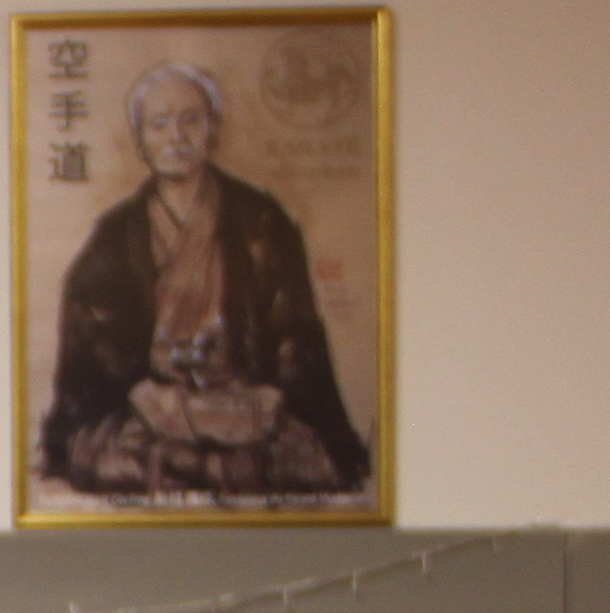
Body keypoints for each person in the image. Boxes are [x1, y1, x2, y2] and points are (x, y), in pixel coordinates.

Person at [40, 60, 371, 508]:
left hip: (241, 402)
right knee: (109, 456)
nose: (176, 136)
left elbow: (293, 329)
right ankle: (200, 464)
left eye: (191, 120)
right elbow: (94, 337)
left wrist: (269, 397)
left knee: (300, 455)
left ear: (213, 130)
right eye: (159, 124)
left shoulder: (261, 221)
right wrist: (141, 391)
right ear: (139, 140)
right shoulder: (116, 235)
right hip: (152, 407)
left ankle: (191, 463)